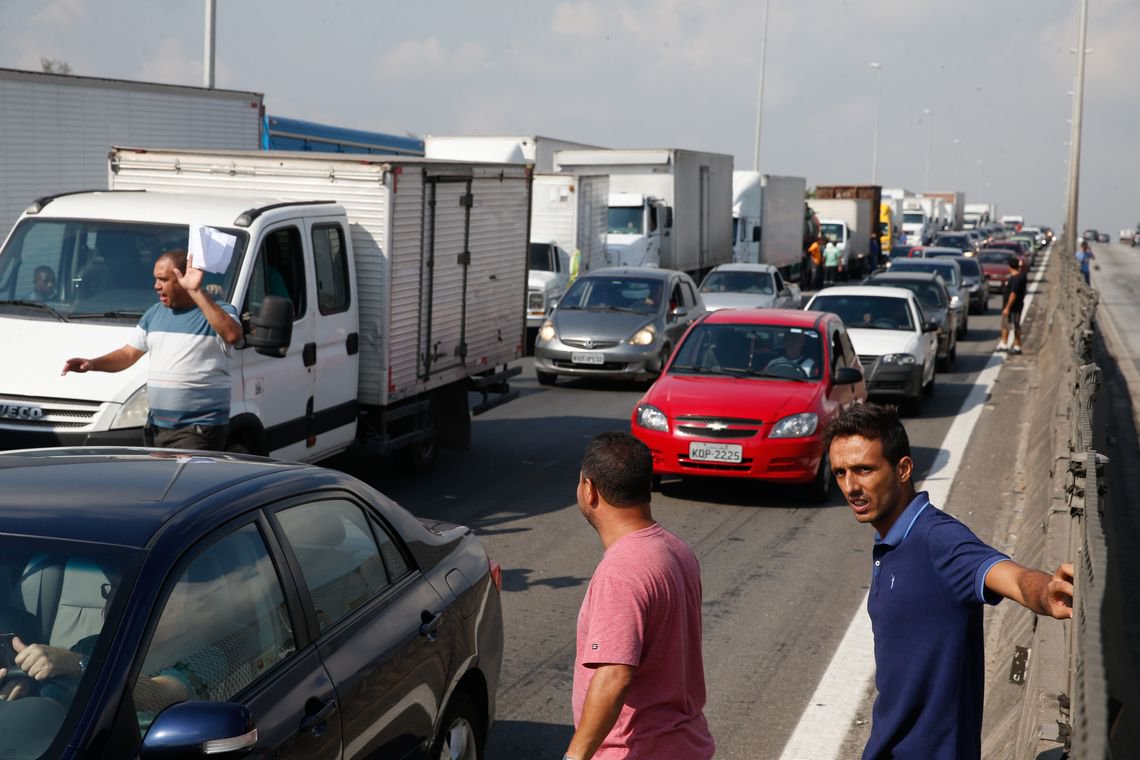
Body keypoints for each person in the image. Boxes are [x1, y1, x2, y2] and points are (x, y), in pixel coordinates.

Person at [823, 404, 1074, 760]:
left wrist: (1046, 594)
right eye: (841, 473)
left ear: (903, 469)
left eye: (864, 470)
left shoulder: (938, 539)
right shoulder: (891, 540)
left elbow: (1009, 576)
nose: (851, 487)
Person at [566, 432, 715, 760]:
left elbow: (614, 675)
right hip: (684, 744)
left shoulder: (621, 571)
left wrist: (575, 757)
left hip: (635, 751)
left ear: (589, 490)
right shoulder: (676, 549)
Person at [61, 249, 243, 450]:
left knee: (189, 482)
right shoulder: (154, 314)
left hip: (197, 429)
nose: (157, 286)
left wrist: (196, 291)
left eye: (163, 280)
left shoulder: (219, 311)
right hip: (156, 429)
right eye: (156, 279)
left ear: (183, 278)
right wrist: (93, 364)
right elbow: (128, 354)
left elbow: (233, 335)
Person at [997, 257, 1028, 354]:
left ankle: (1017, 346)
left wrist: (1007, 307)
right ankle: (1004, 343)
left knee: (1015, 326)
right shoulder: (1021, 276)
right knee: (1005, 325)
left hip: (1014, 307)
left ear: (1010, 266)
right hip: (1013, 306)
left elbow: (1013, 294)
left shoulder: (1016, 279)